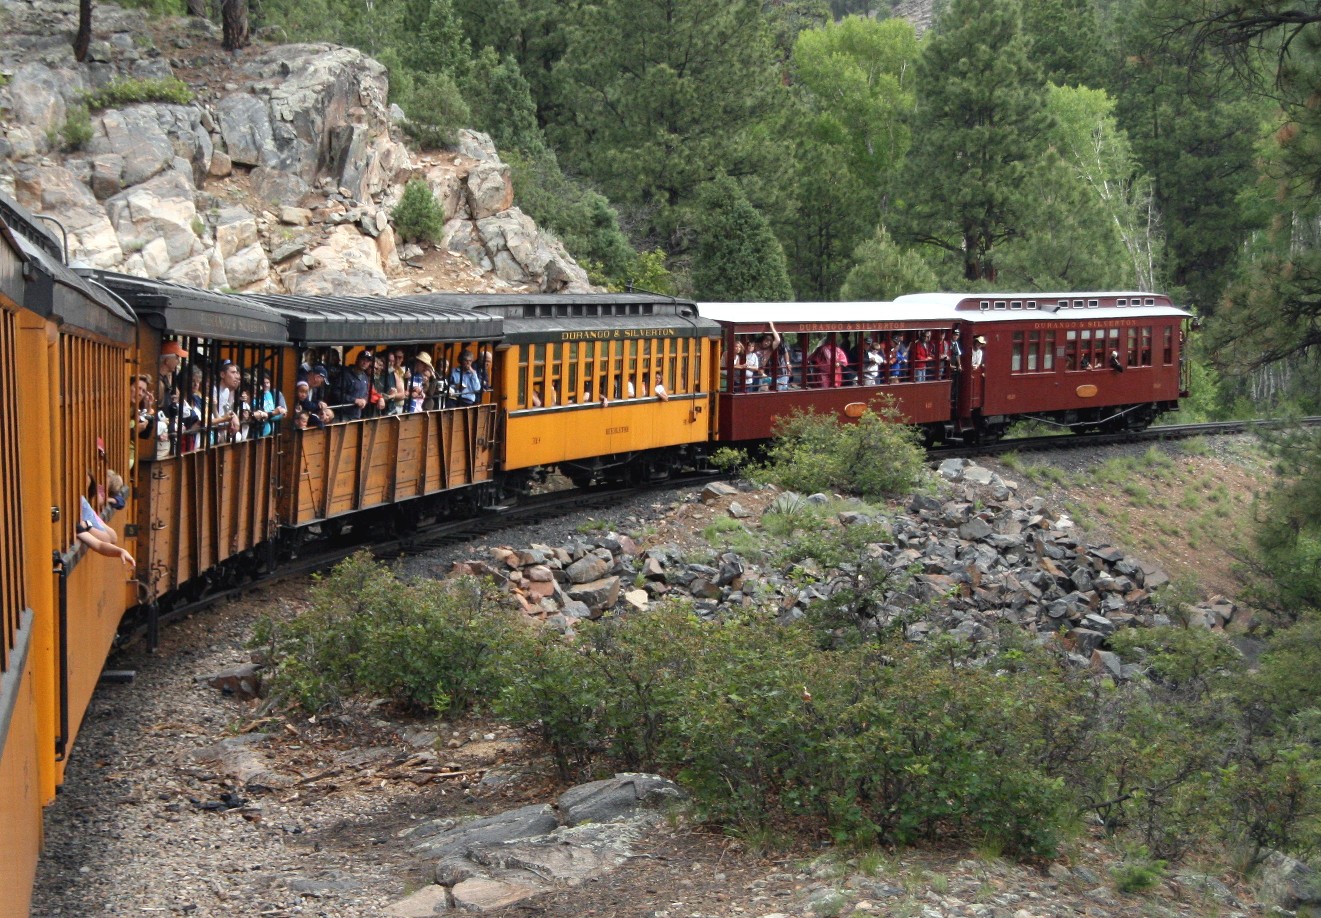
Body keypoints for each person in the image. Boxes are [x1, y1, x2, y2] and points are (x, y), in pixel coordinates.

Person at [335, 348, 373, 421]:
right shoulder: (346, 375)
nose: (365, 363)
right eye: (363, 360)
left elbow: (366, 393)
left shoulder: (365, 377)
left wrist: (364, 400)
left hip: (356, 415)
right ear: (357, 360)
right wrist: (354, 400)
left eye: (367, 361)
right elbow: (336, 393)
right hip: (342, 415)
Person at [254, 371, 288, 437]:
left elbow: (284, 413)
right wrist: (275, 413)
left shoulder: (275, 393)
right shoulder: (256, 396)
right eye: (263, 383)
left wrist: (269, 415)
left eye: (267, 383)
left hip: (275, 430)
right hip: (261, 430)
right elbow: (260, 415)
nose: (266, 385)